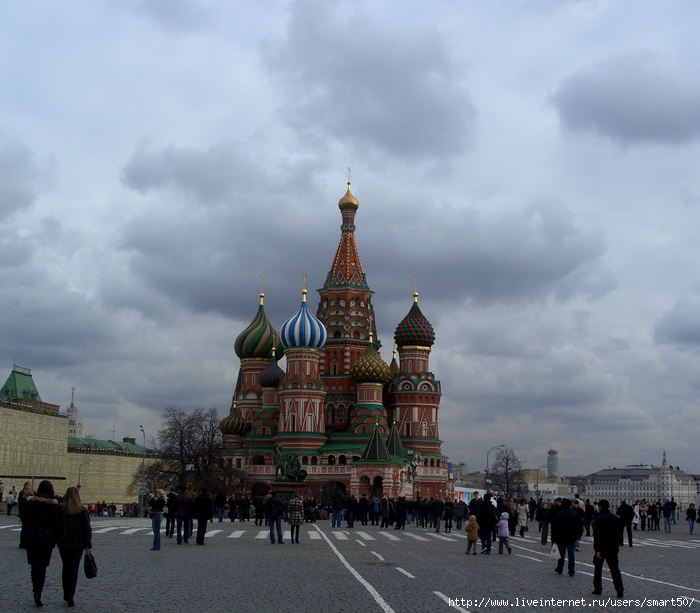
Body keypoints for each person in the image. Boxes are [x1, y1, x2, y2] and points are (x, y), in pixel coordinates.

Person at [23, 480, 59, 607]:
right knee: (42, 568)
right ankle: (39, 591)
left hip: (32, 538)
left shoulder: (31, 504)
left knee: (34, 567)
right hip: (46, 539)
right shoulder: (53, 506)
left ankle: (35, 590)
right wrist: (55, 540)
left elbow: (25, 519)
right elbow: (55, 525)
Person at [57, 487, 92, 607]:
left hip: (64, 544)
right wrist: (88, 543)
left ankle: (66, 594)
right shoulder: (81, 511)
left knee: (65, 568)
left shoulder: (61, 510)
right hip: (77, 545)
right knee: (73, 569)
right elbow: (86, 529)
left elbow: (57, 527)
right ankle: (71, 595)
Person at [592, 499, 624, 599]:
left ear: (600, 507)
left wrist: (597, 550)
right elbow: (619, 533)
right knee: (615, 569)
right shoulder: (615, 518)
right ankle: (619, 588)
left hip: (602, 548)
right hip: (613, 547)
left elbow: (597, 536)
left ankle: (598, 588)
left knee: (598, 569)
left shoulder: (599, 519)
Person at [552, 498, 583, 576]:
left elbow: (554, 527)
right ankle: (571, 570)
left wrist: (554, 538)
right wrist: (578, 536)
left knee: (561, 554)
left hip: (561, 537)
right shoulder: (575, 514)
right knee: (571, 554)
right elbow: (580, 527)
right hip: (572, 537)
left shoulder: (559, 514)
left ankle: (560, 568)